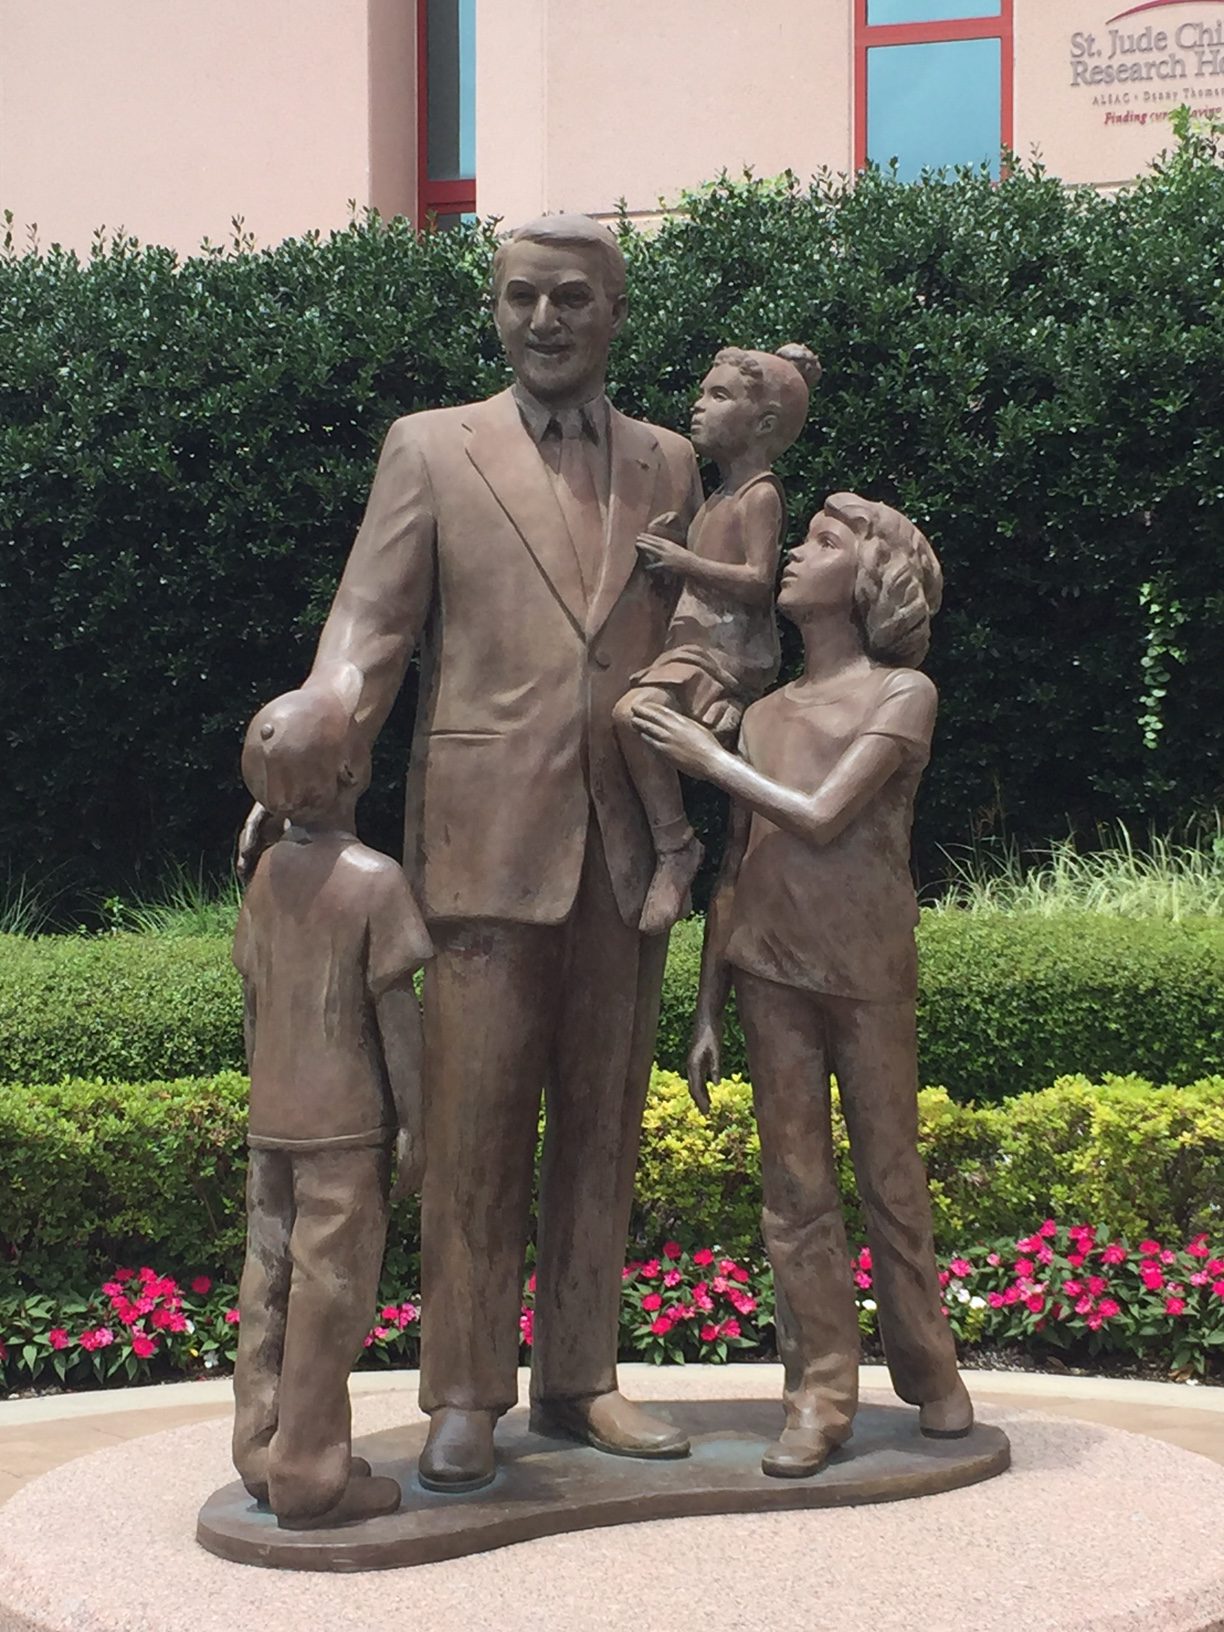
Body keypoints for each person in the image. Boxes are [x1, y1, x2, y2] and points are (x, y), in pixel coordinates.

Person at [238, 215, 705, 1493]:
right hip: (482, 839)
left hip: (627, 839)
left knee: (604, 1121)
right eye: (519, 299)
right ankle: (462, 1396)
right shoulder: (431, 449)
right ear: (494, 311)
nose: (543, 320)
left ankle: (581, 1378)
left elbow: (704, 628)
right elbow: (366, 629)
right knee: (472, 1127)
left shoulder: (672, 464)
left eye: (570, 299)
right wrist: (299, 754)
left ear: (614, 311)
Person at [631, 493, 974, 1479]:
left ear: (869, 578)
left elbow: (823, 814)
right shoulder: (770, 713)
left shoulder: (902, 695)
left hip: (866, 968)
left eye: (824, 543)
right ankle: (820, 1390)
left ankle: (931, 1372)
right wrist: (704, 1008)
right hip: (768, 969)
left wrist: (703, 757)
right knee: (794, 1191)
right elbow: (737, 868)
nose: (794, 553)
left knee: (892, 1177)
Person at [231, 686, 432, 1527]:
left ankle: (261, 1450)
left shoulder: (269, 872)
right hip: (346, 1127)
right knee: (331, 1293)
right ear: (355, 770)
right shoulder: (374, 881)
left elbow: (250, 1001)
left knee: (266, 1280)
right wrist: (418, 1120)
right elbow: (396, 1018)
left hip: (273, 1115)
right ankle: (311, 1475)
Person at [613, 343, 820, 936]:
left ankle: (676, 845)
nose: (698, 406)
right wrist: (679, 540)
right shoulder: (720, 496)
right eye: (703, 392)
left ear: (764, 424)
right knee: (635, 715)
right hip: (692, 647)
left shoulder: (760, 495)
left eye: (718, 395)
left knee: (634, 714)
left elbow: (759, 583)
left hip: (726, 652)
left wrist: (682, 560)